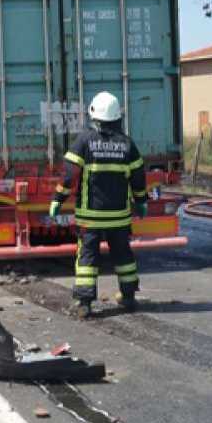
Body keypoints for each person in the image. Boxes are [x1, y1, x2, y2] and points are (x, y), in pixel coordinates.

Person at [49, 91, 148, 319]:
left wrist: (57, 199)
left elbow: (69, 177)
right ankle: (129, 297)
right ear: (117, 117)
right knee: (123, 255)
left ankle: (84, 303)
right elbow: (138, 178)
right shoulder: (127, 145)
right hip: (119, 217)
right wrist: (141, 202)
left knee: (87, 258)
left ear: (93, 115)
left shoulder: (84, 141)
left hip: (90, 217)